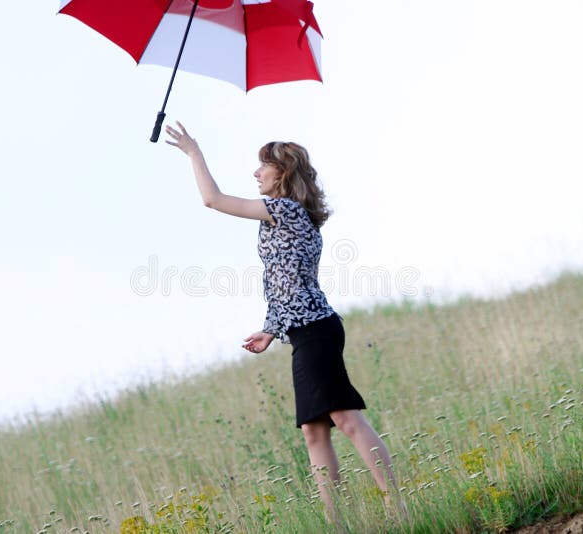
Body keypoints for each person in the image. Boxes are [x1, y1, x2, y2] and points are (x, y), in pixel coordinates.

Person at [165, 122, 405, 525]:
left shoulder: (284, 209)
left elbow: (213, 200)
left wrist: (194, 153)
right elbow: (287, 281)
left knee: (346, 419)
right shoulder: (284, 216)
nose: (256, 173)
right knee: (314, 430)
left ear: (284, 173)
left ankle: (396, 507)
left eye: (264, 166)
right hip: (305, 331)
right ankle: (336, 524)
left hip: (316, 331)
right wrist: (272, 328)